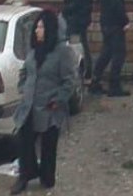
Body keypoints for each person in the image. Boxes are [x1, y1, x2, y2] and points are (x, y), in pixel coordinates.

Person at [10, 10, 78, 193]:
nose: (37, 31)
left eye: (41, 27)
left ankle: (46, 176)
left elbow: (69, 80)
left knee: (48, 147)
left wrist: (58, 100)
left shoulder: (62, 51)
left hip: (49, 107)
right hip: (29, 106)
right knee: (23, 140)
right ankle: (26, 174)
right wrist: (23, 88)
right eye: (37, 27)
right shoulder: (34, 51)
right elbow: (25, 72)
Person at [90, 0, 131, 97]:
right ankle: (114, 85)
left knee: (106, 53)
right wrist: (125, 20)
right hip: (114, 23)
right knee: (119, 53)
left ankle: (95, 81)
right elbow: (116, 4)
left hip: (105, 21)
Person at [62, 0, 95, 79]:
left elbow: (77, 3)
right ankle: (86, 71)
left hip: (76, 21)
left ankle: (84, 71)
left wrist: (65, 10)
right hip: (78, 20)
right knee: (81, 45)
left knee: (78, 47)